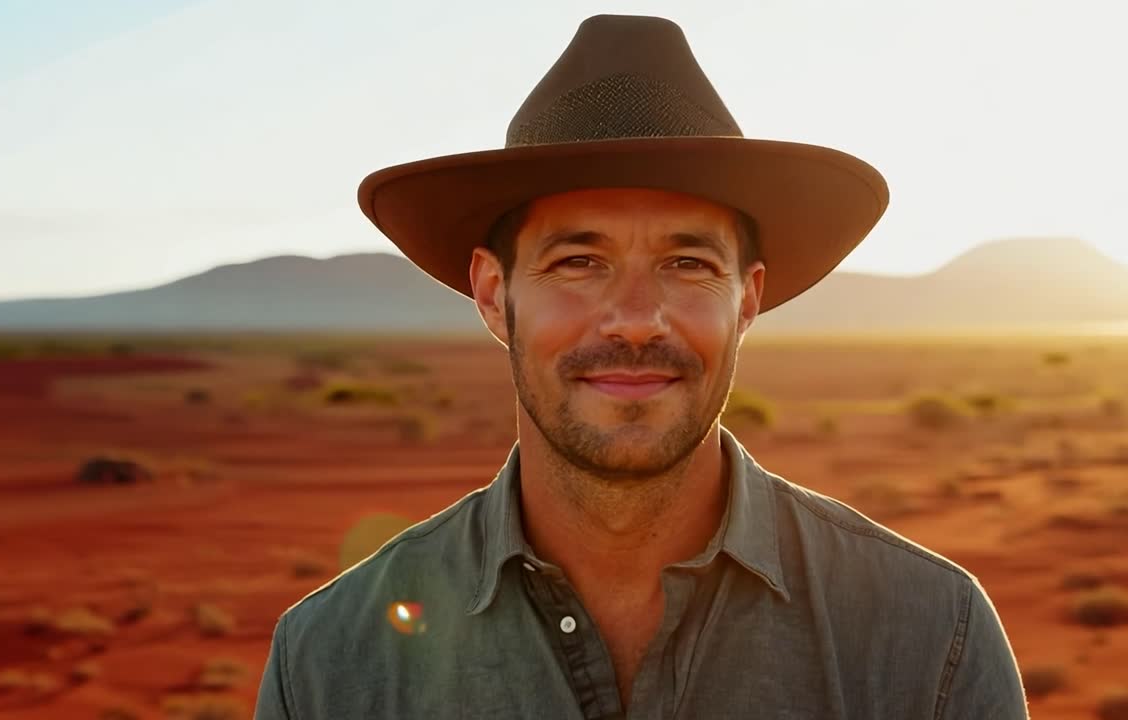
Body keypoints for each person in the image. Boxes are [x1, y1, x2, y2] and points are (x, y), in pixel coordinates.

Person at [255, 14, 1029, 719]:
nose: (633, 318)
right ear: (494, 296)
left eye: (688, 263)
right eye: (578, 261)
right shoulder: (329, 663)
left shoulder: (929, 640)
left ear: (746, 300)